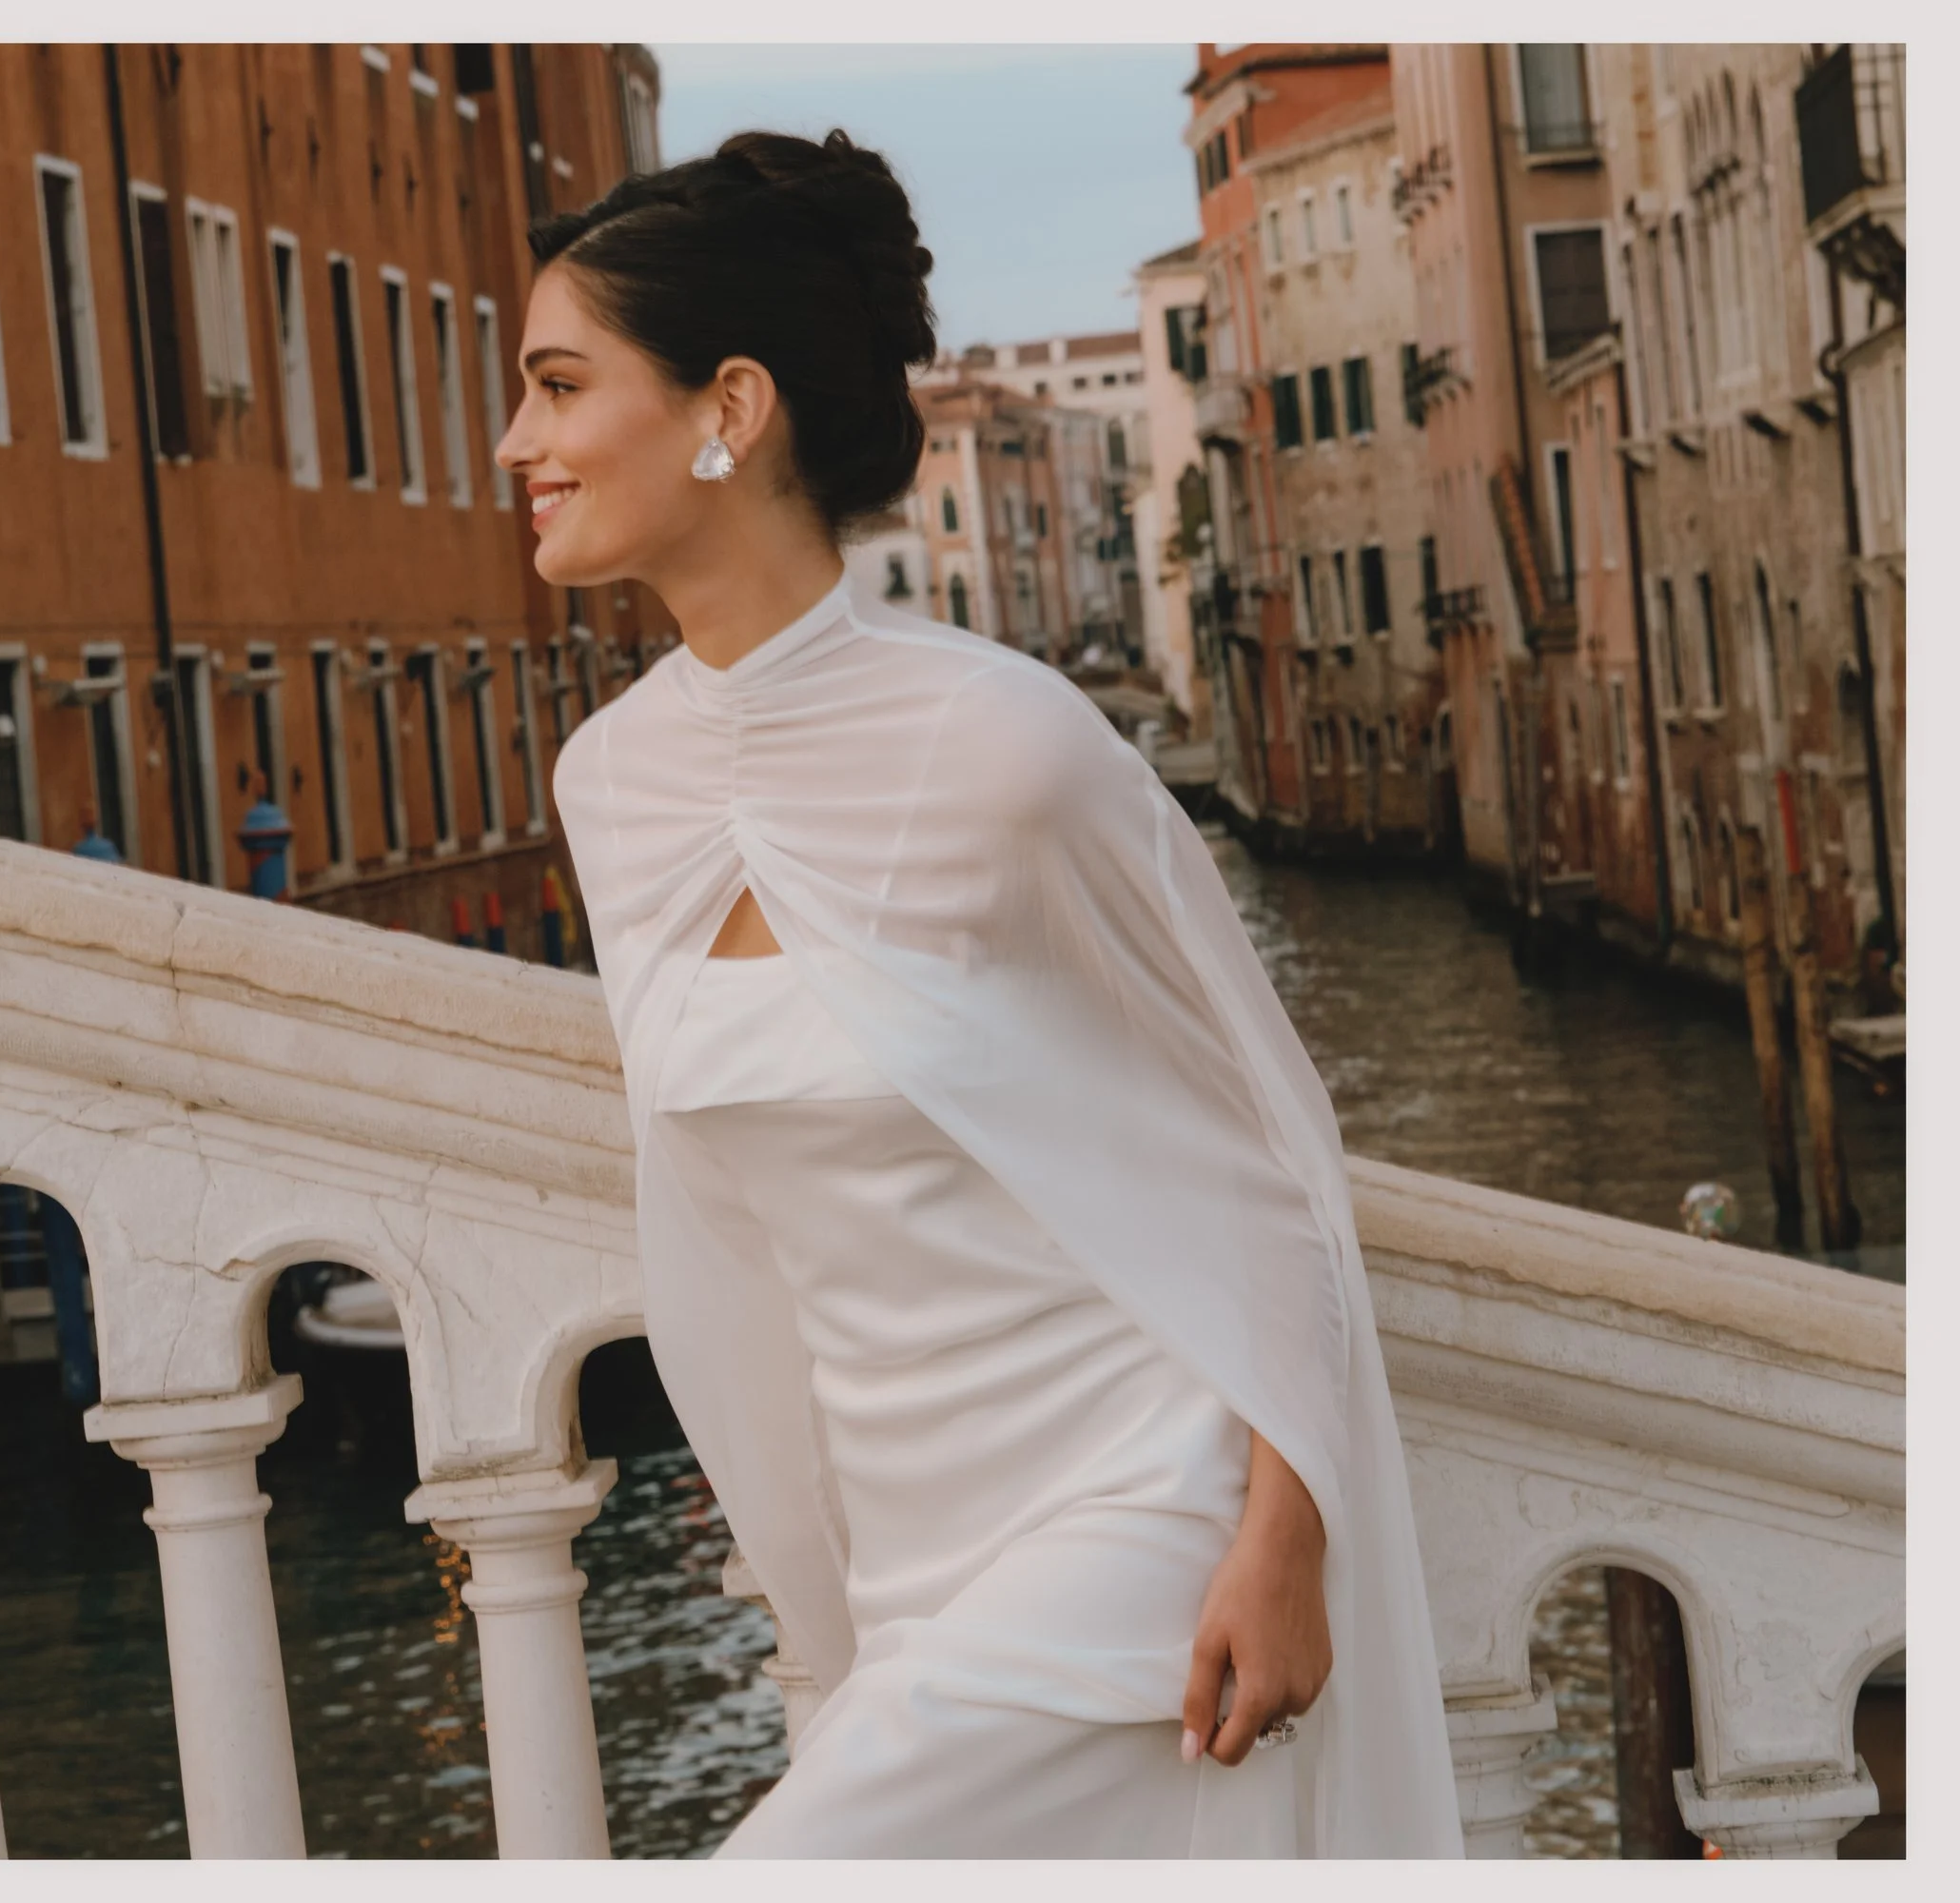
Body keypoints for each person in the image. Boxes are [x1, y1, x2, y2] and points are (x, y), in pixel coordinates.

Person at [497, 128, 1461, 1858]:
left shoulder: (1007, 747)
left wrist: (1285, 1535)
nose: (520, 445)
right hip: (907, 1568)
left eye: (561, 388)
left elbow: (1265, 1152)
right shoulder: (609, 786)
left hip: (1134, 1530)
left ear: (731, 405)